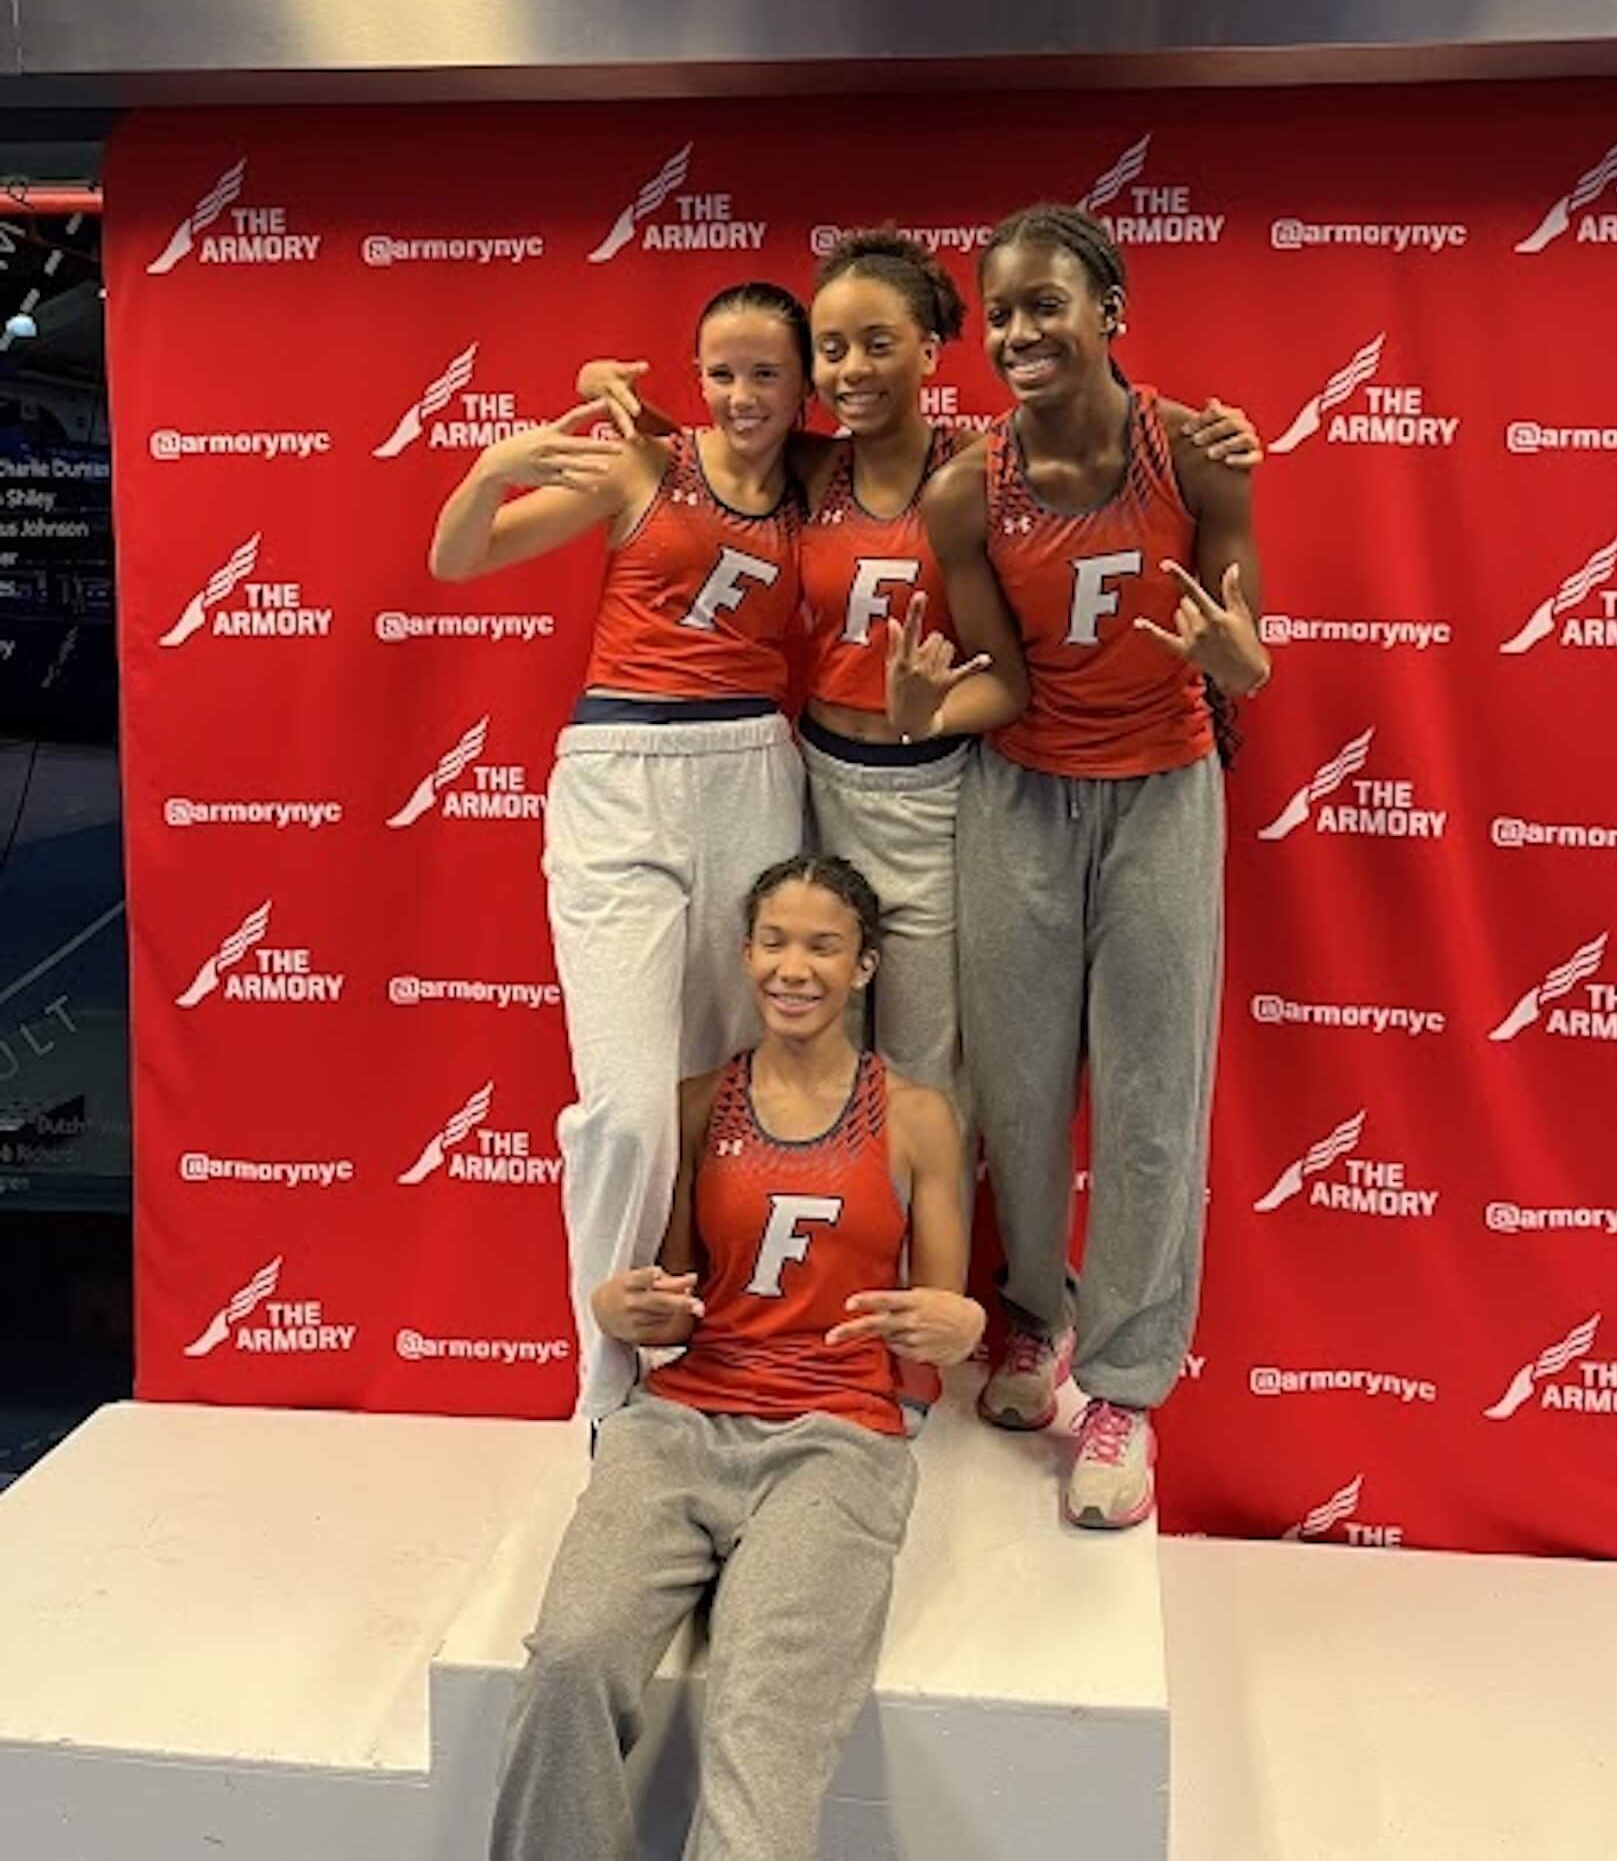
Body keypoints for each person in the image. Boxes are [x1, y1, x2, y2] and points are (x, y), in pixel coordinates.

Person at [578, 230, 1261, 1111]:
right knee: (820, 1052)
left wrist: (1215, 435)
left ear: (932, 351)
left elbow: (1041, 619)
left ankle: (931, 1250)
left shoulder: (979, 473)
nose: (851, 370)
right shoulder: (815, 466)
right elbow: (708, 453)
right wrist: (602, 390)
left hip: (938, 792)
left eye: (878, 344)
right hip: (819, 787)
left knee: (929, 1066)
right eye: (830, 351)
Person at [887, 201, 1271, 1532]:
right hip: (1021, 799)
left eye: (1045, 302)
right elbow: (995, 679)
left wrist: (1245, 665)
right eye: (998, 312)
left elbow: (1246, 641)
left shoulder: (1199, 453)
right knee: (1020, 1083)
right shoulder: (961, 489)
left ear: (1110, 309)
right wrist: (929, 713)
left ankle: (1123, 1388)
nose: (1017, 332)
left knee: (1156, 1094)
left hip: (1164, 794)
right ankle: (1035, 1320)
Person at [487, 853, 980, 1861]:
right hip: (683, 1423)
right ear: (746, 955)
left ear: (865, 967)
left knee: (764, 1711)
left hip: (837, 1440)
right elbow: (675, 1303)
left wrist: (959, 1327)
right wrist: (621, 1307)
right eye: (774, 942)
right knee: (570, 1659)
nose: (793, 967)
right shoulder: (697, 1102)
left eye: (822, 946)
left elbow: (943, 1314)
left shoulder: (919, 1116)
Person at [428, 283, 811, 1424]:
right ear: (697, 378)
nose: (742, 396)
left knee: (736, 1098)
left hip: (755, 774)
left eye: (766, 375)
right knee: (632, 1112)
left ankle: (727, 1358)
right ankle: (608, 1386)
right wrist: (497, 464)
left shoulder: (824, 481)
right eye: (723, 372)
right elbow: (459, 559)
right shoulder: (645, 464)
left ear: (800, 387)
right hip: (621, 776)